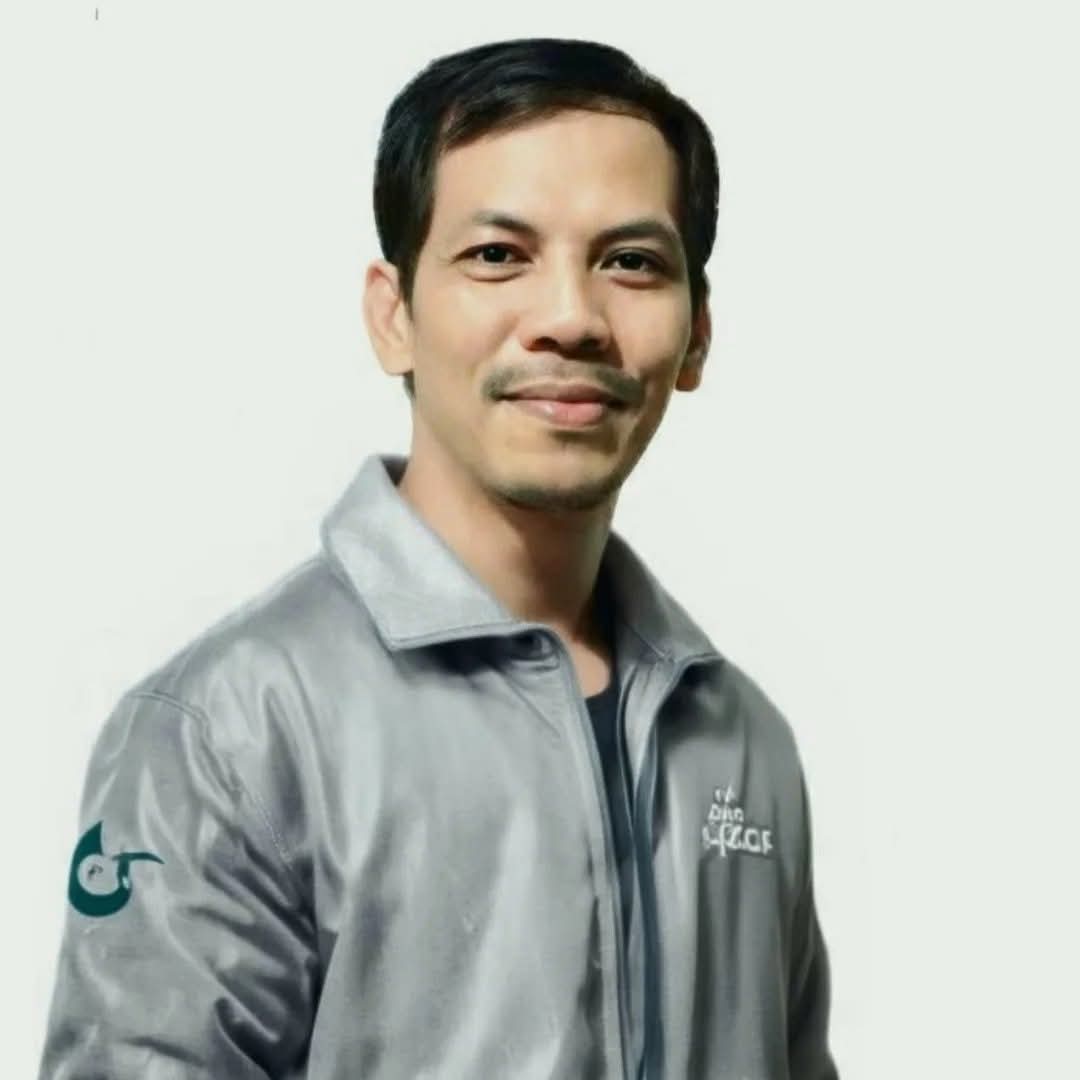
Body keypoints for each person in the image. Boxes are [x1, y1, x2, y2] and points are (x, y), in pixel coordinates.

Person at [38, 37, 838, 1080]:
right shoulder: (231, 729)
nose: (570, 319)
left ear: (696, 334)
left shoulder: (742, 741)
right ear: (394, 315)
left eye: (632, 262)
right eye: (499, 255)